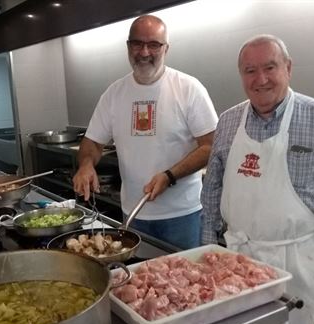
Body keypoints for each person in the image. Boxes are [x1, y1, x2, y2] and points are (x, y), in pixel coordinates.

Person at [200, 34, 314, 324]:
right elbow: (212, 191)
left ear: (288, 68)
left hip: (297, 259)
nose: (260, 79)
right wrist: (209, 246)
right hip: (237, 257)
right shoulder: (228, 121)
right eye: (250, 71)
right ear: (241, 75)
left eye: (270, 67)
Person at [72, 15, 218, 250]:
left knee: (184, 283)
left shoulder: (188, 88)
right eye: (137, 43)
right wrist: (86, 165)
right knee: (139, 282)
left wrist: (169, 176)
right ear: (128, 46)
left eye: (153, 45)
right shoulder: (114, 94)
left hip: (182, 215)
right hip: (133, 214)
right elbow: (92, 143)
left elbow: (211, 145)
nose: (144, 52)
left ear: (166, 48)